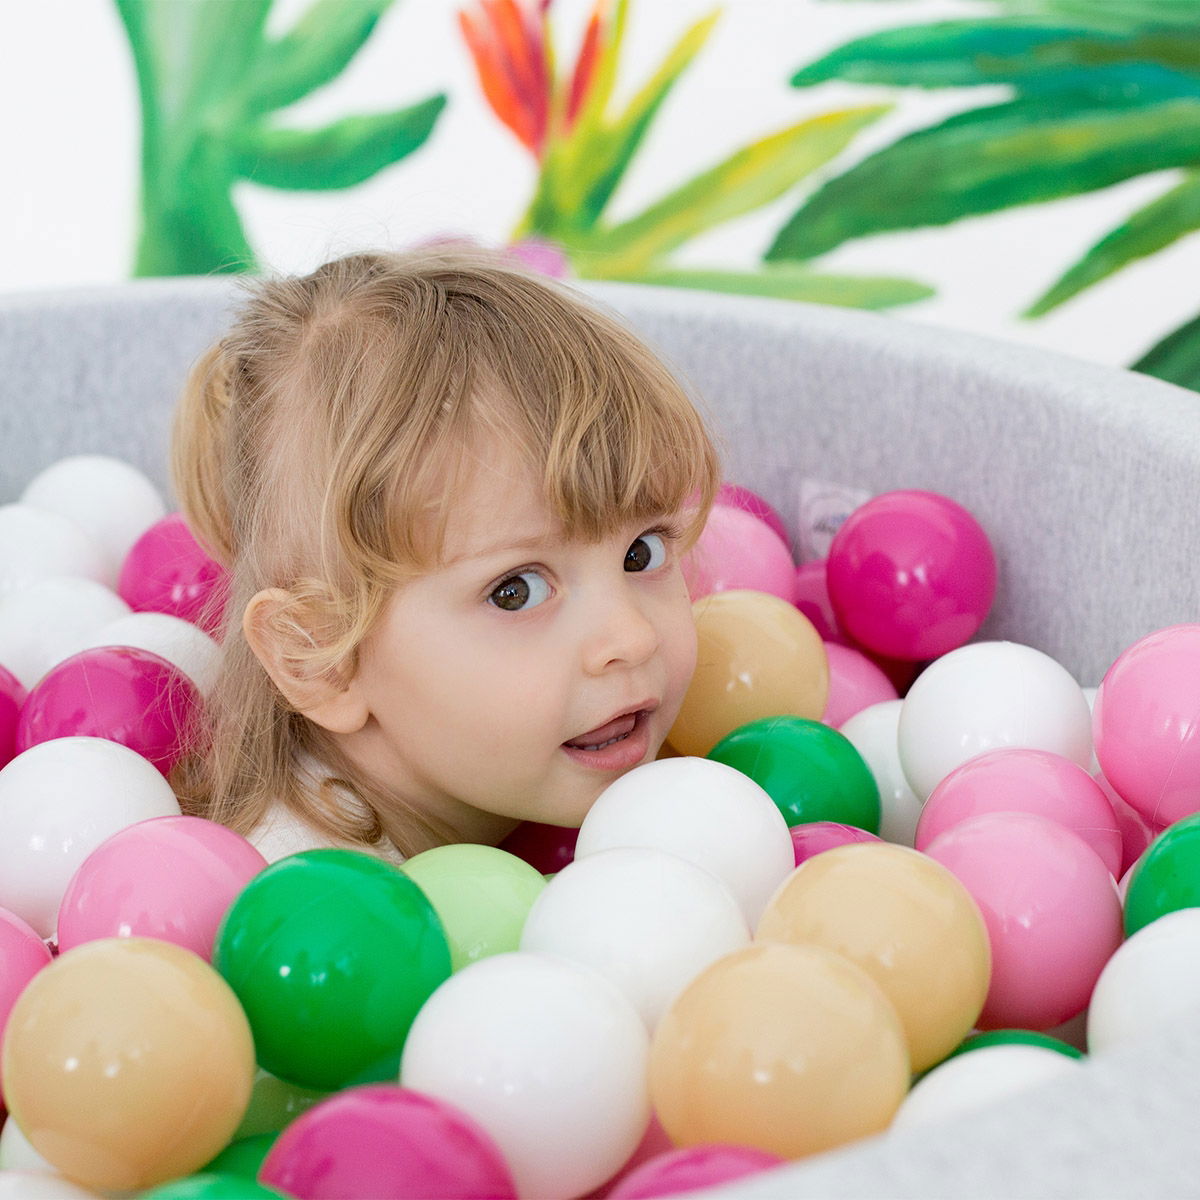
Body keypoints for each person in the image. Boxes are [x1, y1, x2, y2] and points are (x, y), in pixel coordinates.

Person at [169, 246, 721, 864]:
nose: (634, 637)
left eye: (641, 553)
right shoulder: (313, 898)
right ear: (322, 662)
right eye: (517, 590)